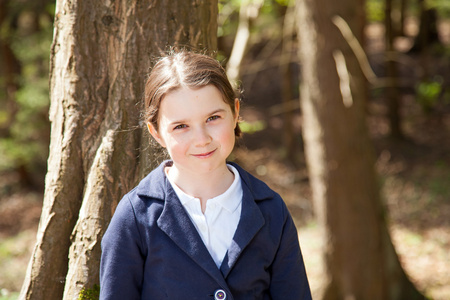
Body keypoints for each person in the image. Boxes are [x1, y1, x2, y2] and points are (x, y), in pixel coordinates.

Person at [99, 50, 311, 300]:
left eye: (213, 118)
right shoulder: (135, 216)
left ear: (234, 112)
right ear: (156, 132)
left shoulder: (271, 210)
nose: (202, 139)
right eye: (181, 126)